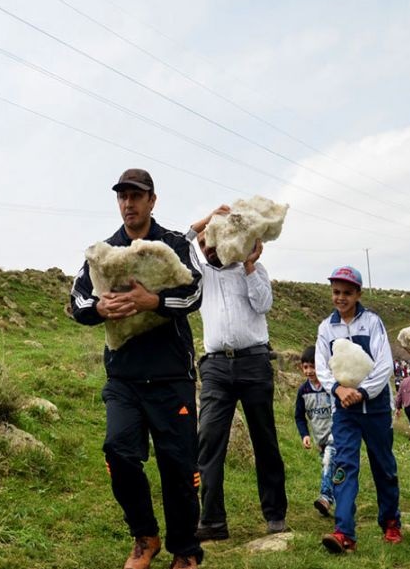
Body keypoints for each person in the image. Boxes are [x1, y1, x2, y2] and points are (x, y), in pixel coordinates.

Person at [70, 169, 203, 569]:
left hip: (171, 376)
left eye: (136, 196)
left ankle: (185, 550)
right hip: (124, 377)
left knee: (178, 466)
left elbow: (195, 292)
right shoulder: (104, 251)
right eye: (123, 197)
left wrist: (155, 303)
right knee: (118, 450)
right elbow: (76, 300)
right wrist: (99, 308)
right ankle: (145, 536)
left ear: (152, 201)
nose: (128, 203)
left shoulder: (175, 243)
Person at [186, 205, 287, 540]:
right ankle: (213, 521)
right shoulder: (202, 273)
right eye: (205, 244)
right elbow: (178, 246)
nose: (209, 248)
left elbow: (263, 305)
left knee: (264, 438)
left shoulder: (255, 270)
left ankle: (275, 514)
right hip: (215, 365)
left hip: (255, 363)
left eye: (214, 241)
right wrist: (204, 221)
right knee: (209, 441)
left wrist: (249, 265)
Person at [315, 266, 401, 553]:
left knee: (383, 466)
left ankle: (390, 522)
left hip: (375, 409)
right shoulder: (326, 328)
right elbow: (322, 365)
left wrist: (363, 392)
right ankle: (344, 533)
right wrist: (338, 390)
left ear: (358, 294)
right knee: (344, 467)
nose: (341, 298)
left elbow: (384, 364)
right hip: (344, 411)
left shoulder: (373, 323)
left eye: (347, 293)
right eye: (336, 292)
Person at [294, 346, 335, 517]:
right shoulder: (303, 391)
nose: (309, 371)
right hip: (320, 440)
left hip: (336, 436)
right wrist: (305, 435)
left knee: (328, 462)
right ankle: (340, 501)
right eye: (306, 367)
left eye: (313, 366)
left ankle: (325, 497)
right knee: (331, 470)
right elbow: (299, 416)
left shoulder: (331, 387)